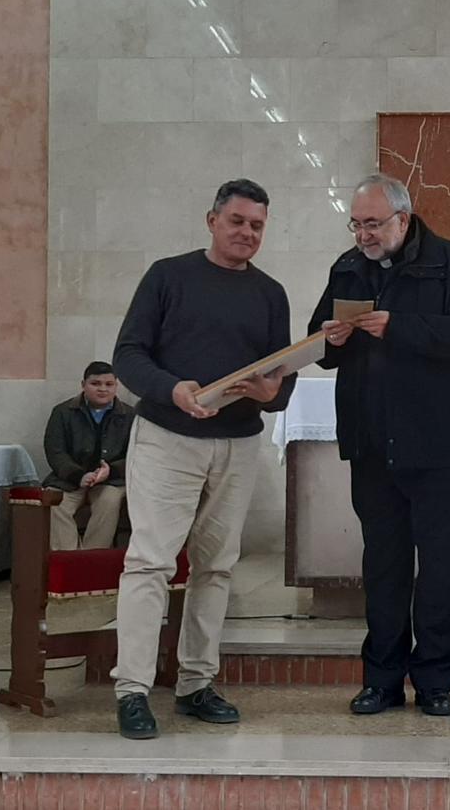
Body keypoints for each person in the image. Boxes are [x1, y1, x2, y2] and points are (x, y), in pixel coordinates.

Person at [110, 178, 296, 740]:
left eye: (257, 225)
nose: (247, 233)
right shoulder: (168, 276)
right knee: (150, 563)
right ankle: (132, 690)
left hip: (237, 443)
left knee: (216, 567)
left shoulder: (270, 293)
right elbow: (127, 356)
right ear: (212, 220)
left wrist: (272, 392)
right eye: (237, 221)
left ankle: (196, 683)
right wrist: (173, 389)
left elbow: (281, 381)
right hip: (168, 436)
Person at [308, 173, 450, 718]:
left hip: (437, 445)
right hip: (371, 444)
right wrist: (330, 339)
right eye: (356, 224)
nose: (363, 235)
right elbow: (319, 342)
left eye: (372, 224)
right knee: (383, 567)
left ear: (403, 219)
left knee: (442, 568)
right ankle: (382, 680)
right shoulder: (348, 267)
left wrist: (399, 327)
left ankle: (435, 679)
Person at [42, 361, 133, 551]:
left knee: (109, 501)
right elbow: (55, 452)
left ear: (116, 386)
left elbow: (135, 455)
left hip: (111, 481)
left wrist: (110, 471)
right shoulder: (63, 412)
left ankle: (92, 557)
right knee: (56, 504)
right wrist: (78, 475)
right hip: (69, 480)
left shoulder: (129, 415)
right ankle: (69, 558)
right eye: (95, 383)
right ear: (83, 385)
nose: (102, 389)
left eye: (109, 384)